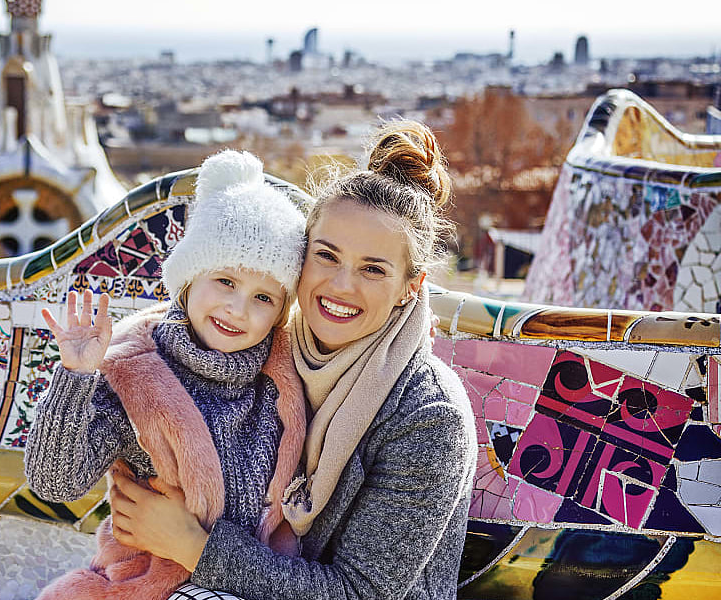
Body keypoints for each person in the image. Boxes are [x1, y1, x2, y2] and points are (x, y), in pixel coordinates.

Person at [108, 120, 479, 600]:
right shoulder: (265, 351)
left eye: (372, 269)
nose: (342, 286)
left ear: (411, 287)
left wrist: (191, 545)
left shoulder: (429, 415)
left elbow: (358, 593)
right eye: (327, 256)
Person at [24, 150, 310, 599]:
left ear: (280, 313)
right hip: (147, 588)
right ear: (191, 277)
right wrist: (76, 377)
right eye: (226, 282)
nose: (238, 310)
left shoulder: (284, 375)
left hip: (258, 585)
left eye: (263, 298)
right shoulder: (137, 373)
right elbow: (53, 481)